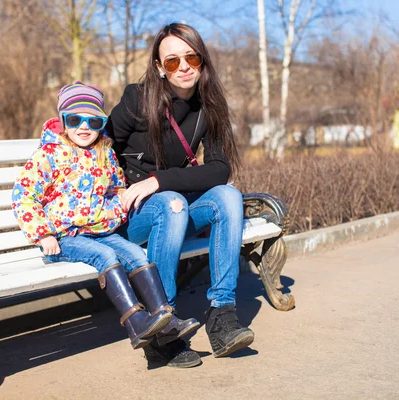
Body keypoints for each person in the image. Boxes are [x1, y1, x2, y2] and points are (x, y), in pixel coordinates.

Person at [107, 23, 254, 368]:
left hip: (170, 205)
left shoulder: (209, 106)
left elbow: (219, 169)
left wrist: (158, 180)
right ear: (159, 68)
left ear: (202, 60)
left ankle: (222, 314)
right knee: (171, 204)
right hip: (131, 217)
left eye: (191, 57)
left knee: (228, 196)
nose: (184, 66)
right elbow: (99, 148)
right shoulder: (136, 100)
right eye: (172, 61)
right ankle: (163, 326)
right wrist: (124, 190)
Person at [11, 81, 175, 350]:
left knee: (136, 255)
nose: (84, 127)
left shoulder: (105, 154)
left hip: (100, 232)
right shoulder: (48, 154)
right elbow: (24, 196)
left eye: (94, 121)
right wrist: (44, 234)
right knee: (106, 257)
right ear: (63, 120)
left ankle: (164, 316)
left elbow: (115, 191)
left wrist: (111, 213)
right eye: (75, 119)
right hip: (63, 238)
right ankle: (136, 323)